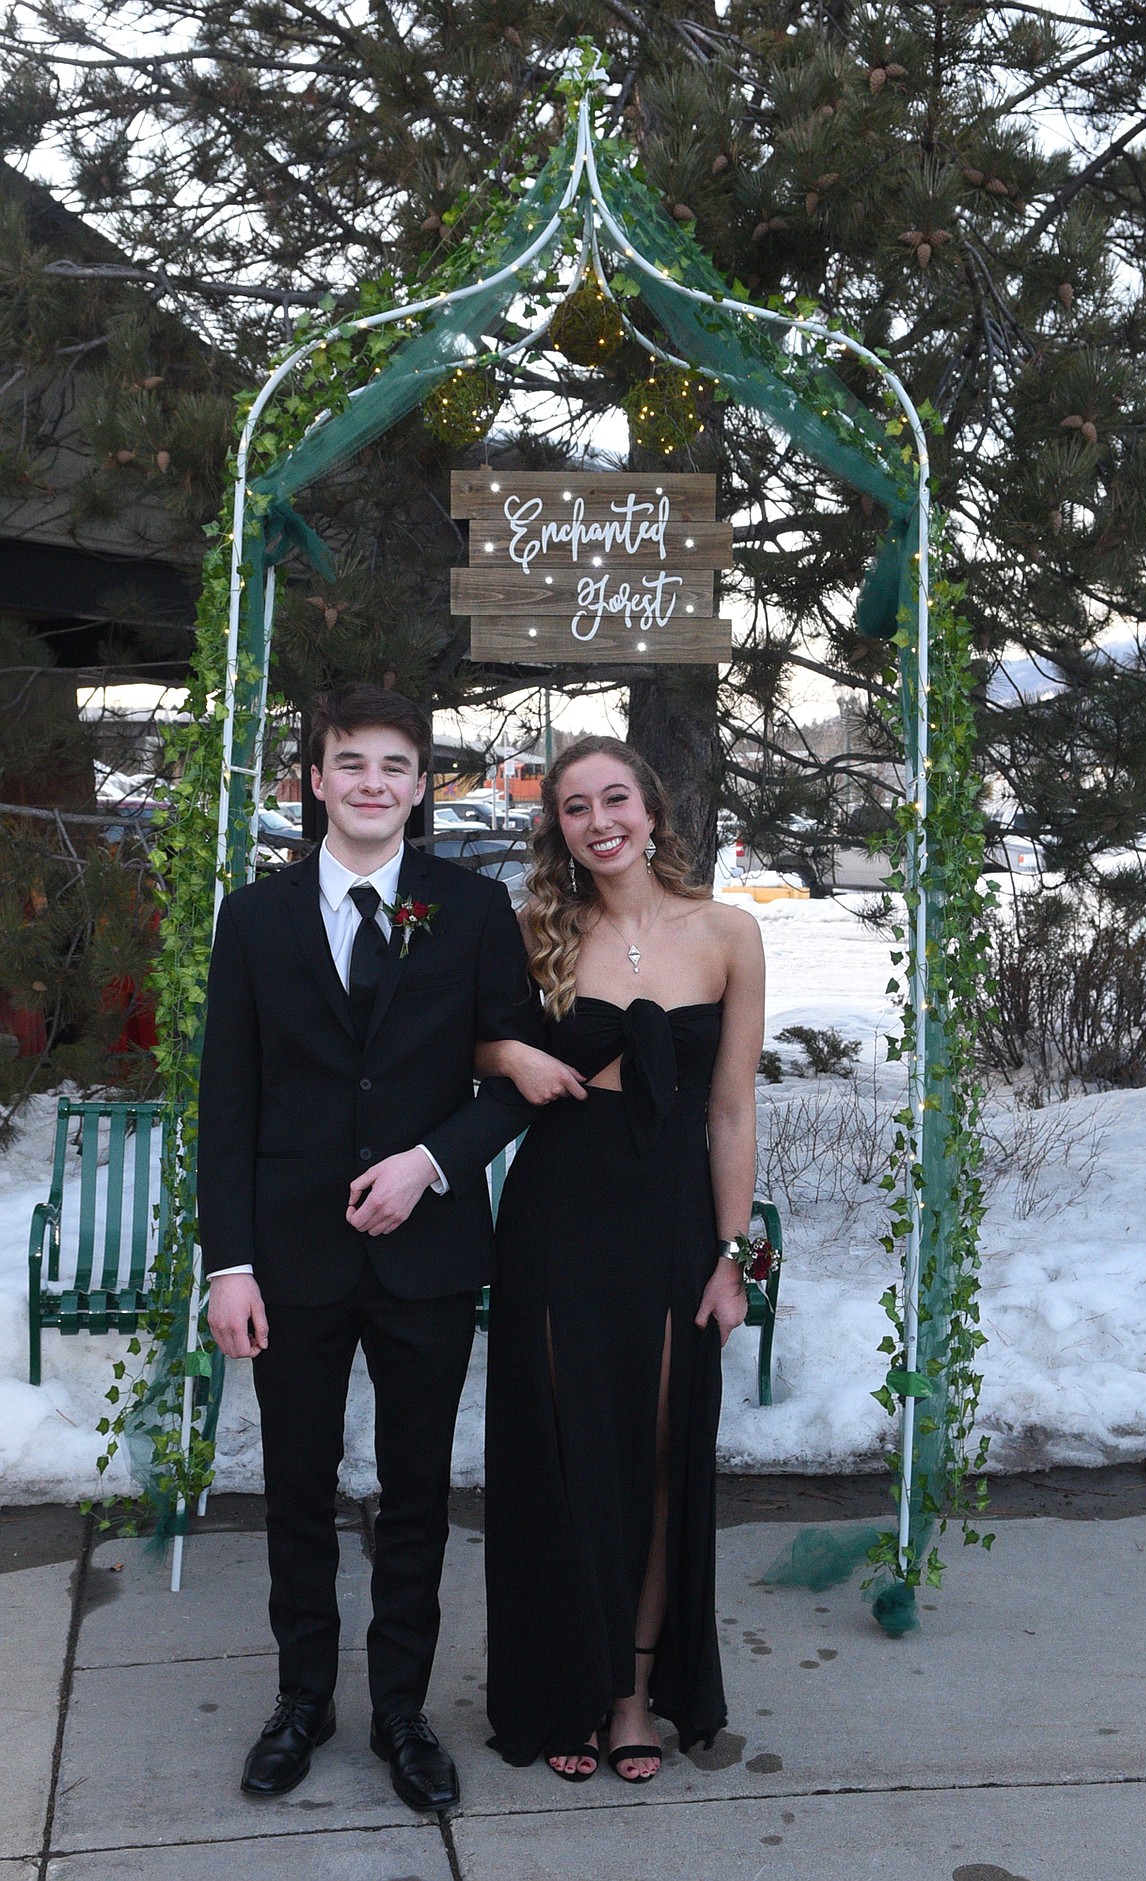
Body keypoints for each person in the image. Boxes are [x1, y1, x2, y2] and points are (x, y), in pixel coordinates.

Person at [198, 683, 537, 1812]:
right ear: (314, 778)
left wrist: (430, 1163)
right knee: (296, 1490)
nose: (374, 784)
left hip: (425, 1254)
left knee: (416, 1490)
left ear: (422, 783)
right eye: (351, 764)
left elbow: (514, 1075)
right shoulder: (254, 918)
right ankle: (302, 1701)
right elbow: (229, 1106)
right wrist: (228, 1263)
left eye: (397, 765)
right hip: (289, 1260)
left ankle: (402, 1710)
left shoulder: (472, 907)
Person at [475, 735, 764, 1782]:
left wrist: (737, 1253)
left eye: (615, 800)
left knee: (653, 1457)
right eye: (574, 807)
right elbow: (473, 1044)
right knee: (561, 1460)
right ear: (557, 825)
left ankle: (635, 1690)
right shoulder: (532, 932)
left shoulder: (730, 933)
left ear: (652, 808)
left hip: (672, 1223)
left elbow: (731, 1111)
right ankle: (567, 1683)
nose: (599, 821)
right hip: (556, 1221)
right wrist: (506, 1050)